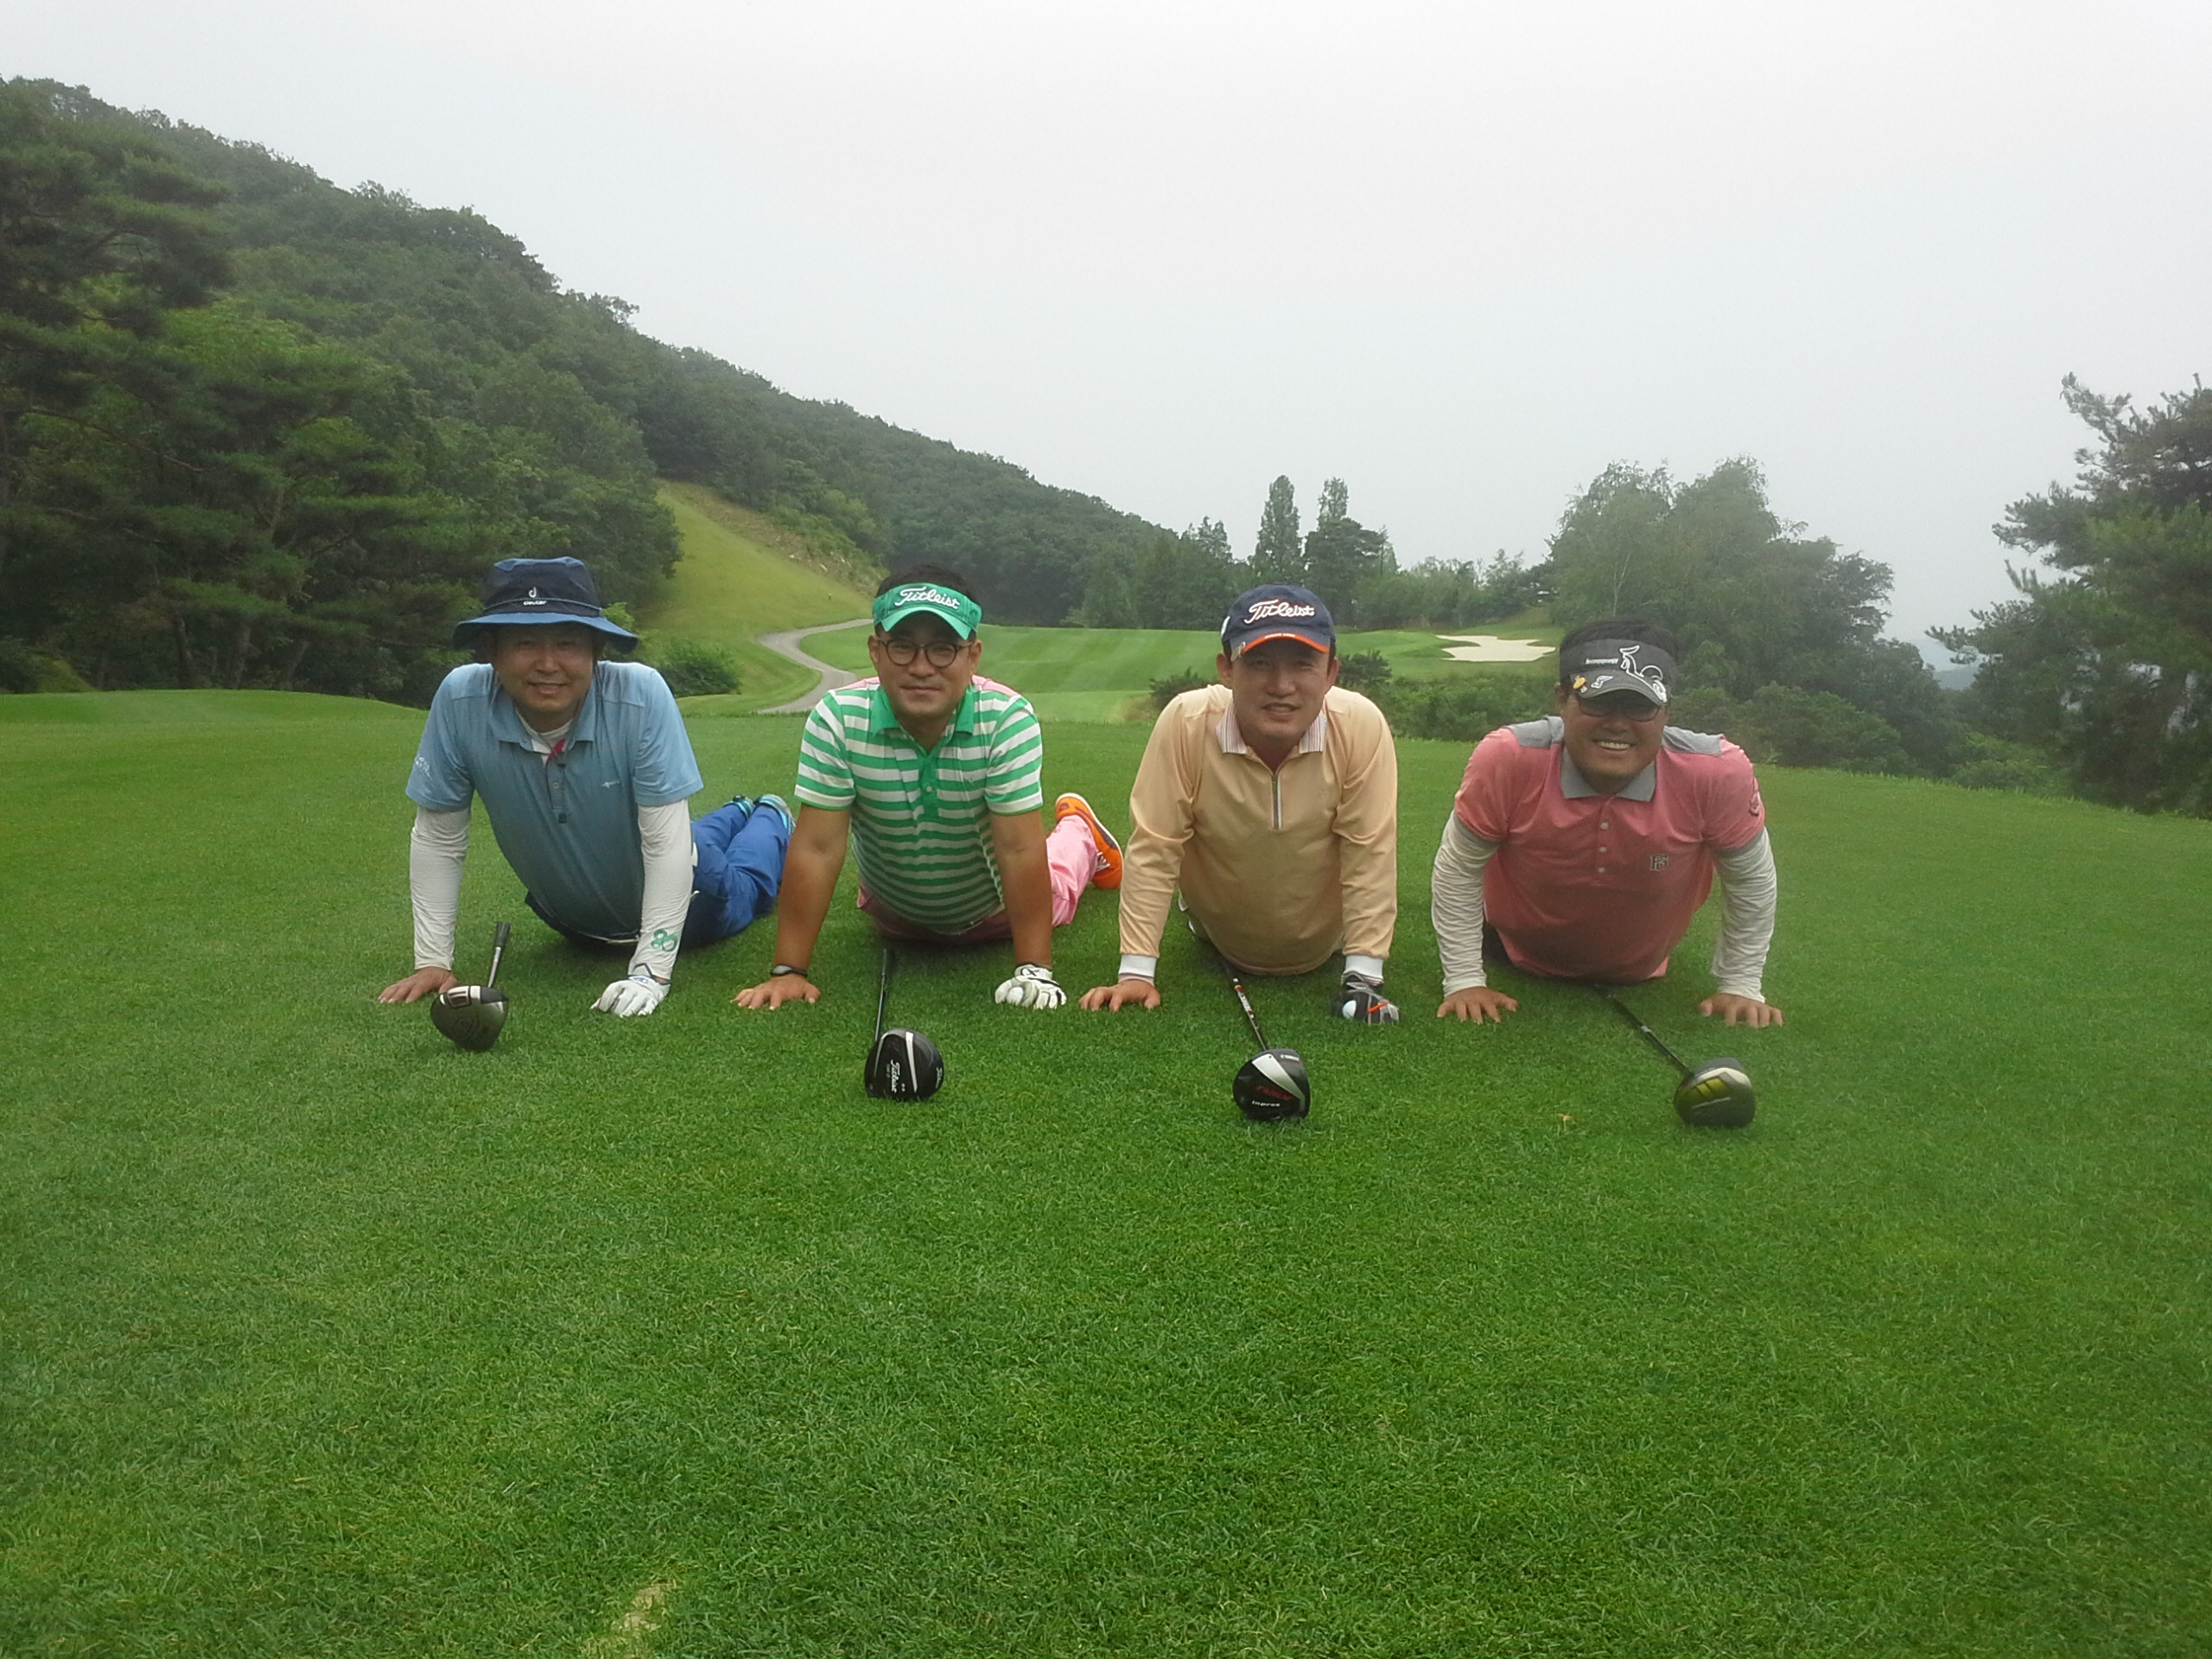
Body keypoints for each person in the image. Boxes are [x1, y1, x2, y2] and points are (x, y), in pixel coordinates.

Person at [378, 556, 791, 1018]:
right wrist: (433, 960)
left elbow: (665, 846)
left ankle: (770, 815)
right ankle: (737, 810)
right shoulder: (460, 699)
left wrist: (650, 972)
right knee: (692, 832)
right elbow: (439, 838)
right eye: (526, 642)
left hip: (696, 901)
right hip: (575, 926)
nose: (548, 664)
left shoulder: (640, 694)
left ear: (596, 649)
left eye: (568, 643)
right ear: (491, 649)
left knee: (749, 876)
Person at [732, 565, 1119, 1013]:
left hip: (997, 914)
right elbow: (817, 848)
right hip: (895, 919)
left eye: (942, 648)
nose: (921, 667)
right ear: (875, 651)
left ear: (972, 656)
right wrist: (789, 971)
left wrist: (1034, 969)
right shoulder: (837, 718)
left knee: (1060, 878)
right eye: (902, 646)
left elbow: (1018, 850)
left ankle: (1080, 832)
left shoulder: (1006, 718)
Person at [1431, 616, 1783, 1027]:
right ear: (1561, 699)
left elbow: (1751, 881)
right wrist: (1464, 980)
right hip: (1510, 953)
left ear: (1667, 709)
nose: (1618, 723)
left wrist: (1741, 984)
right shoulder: (1509, 757)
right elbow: (1458, 869)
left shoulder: (1718, 772)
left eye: (1639, 706)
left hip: (1641, 970)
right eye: (1598, 702)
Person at [1079, 584, 1402, 1021]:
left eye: (1303, 664)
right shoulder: (1187, 721)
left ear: (1331, 673)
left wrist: (1363, 979)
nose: (1281, 686)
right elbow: (1156, 846)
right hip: (1216, 935)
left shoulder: (1360, 725)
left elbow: (1369, 853)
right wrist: (1136, 971)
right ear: (1227, 670)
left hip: (1327, 946)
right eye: (1260, 663)